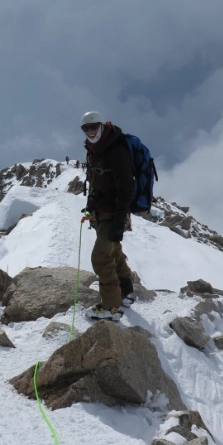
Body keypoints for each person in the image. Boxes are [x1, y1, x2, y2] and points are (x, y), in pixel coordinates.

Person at [80, 111, 135, 321]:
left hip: (114, 213)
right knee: (114, 252)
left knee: (101, 257)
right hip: (100, 213)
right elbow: (96, 182)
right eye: (86, 128)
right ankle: (127, 291)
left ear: (102, 126)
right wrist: (90, 206)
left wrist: (119, 221)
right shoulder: (93, 150)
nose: (90, 131)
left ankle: (111, 307)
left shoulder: (116, 149)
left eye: (94, 126)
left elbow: (126, 189)